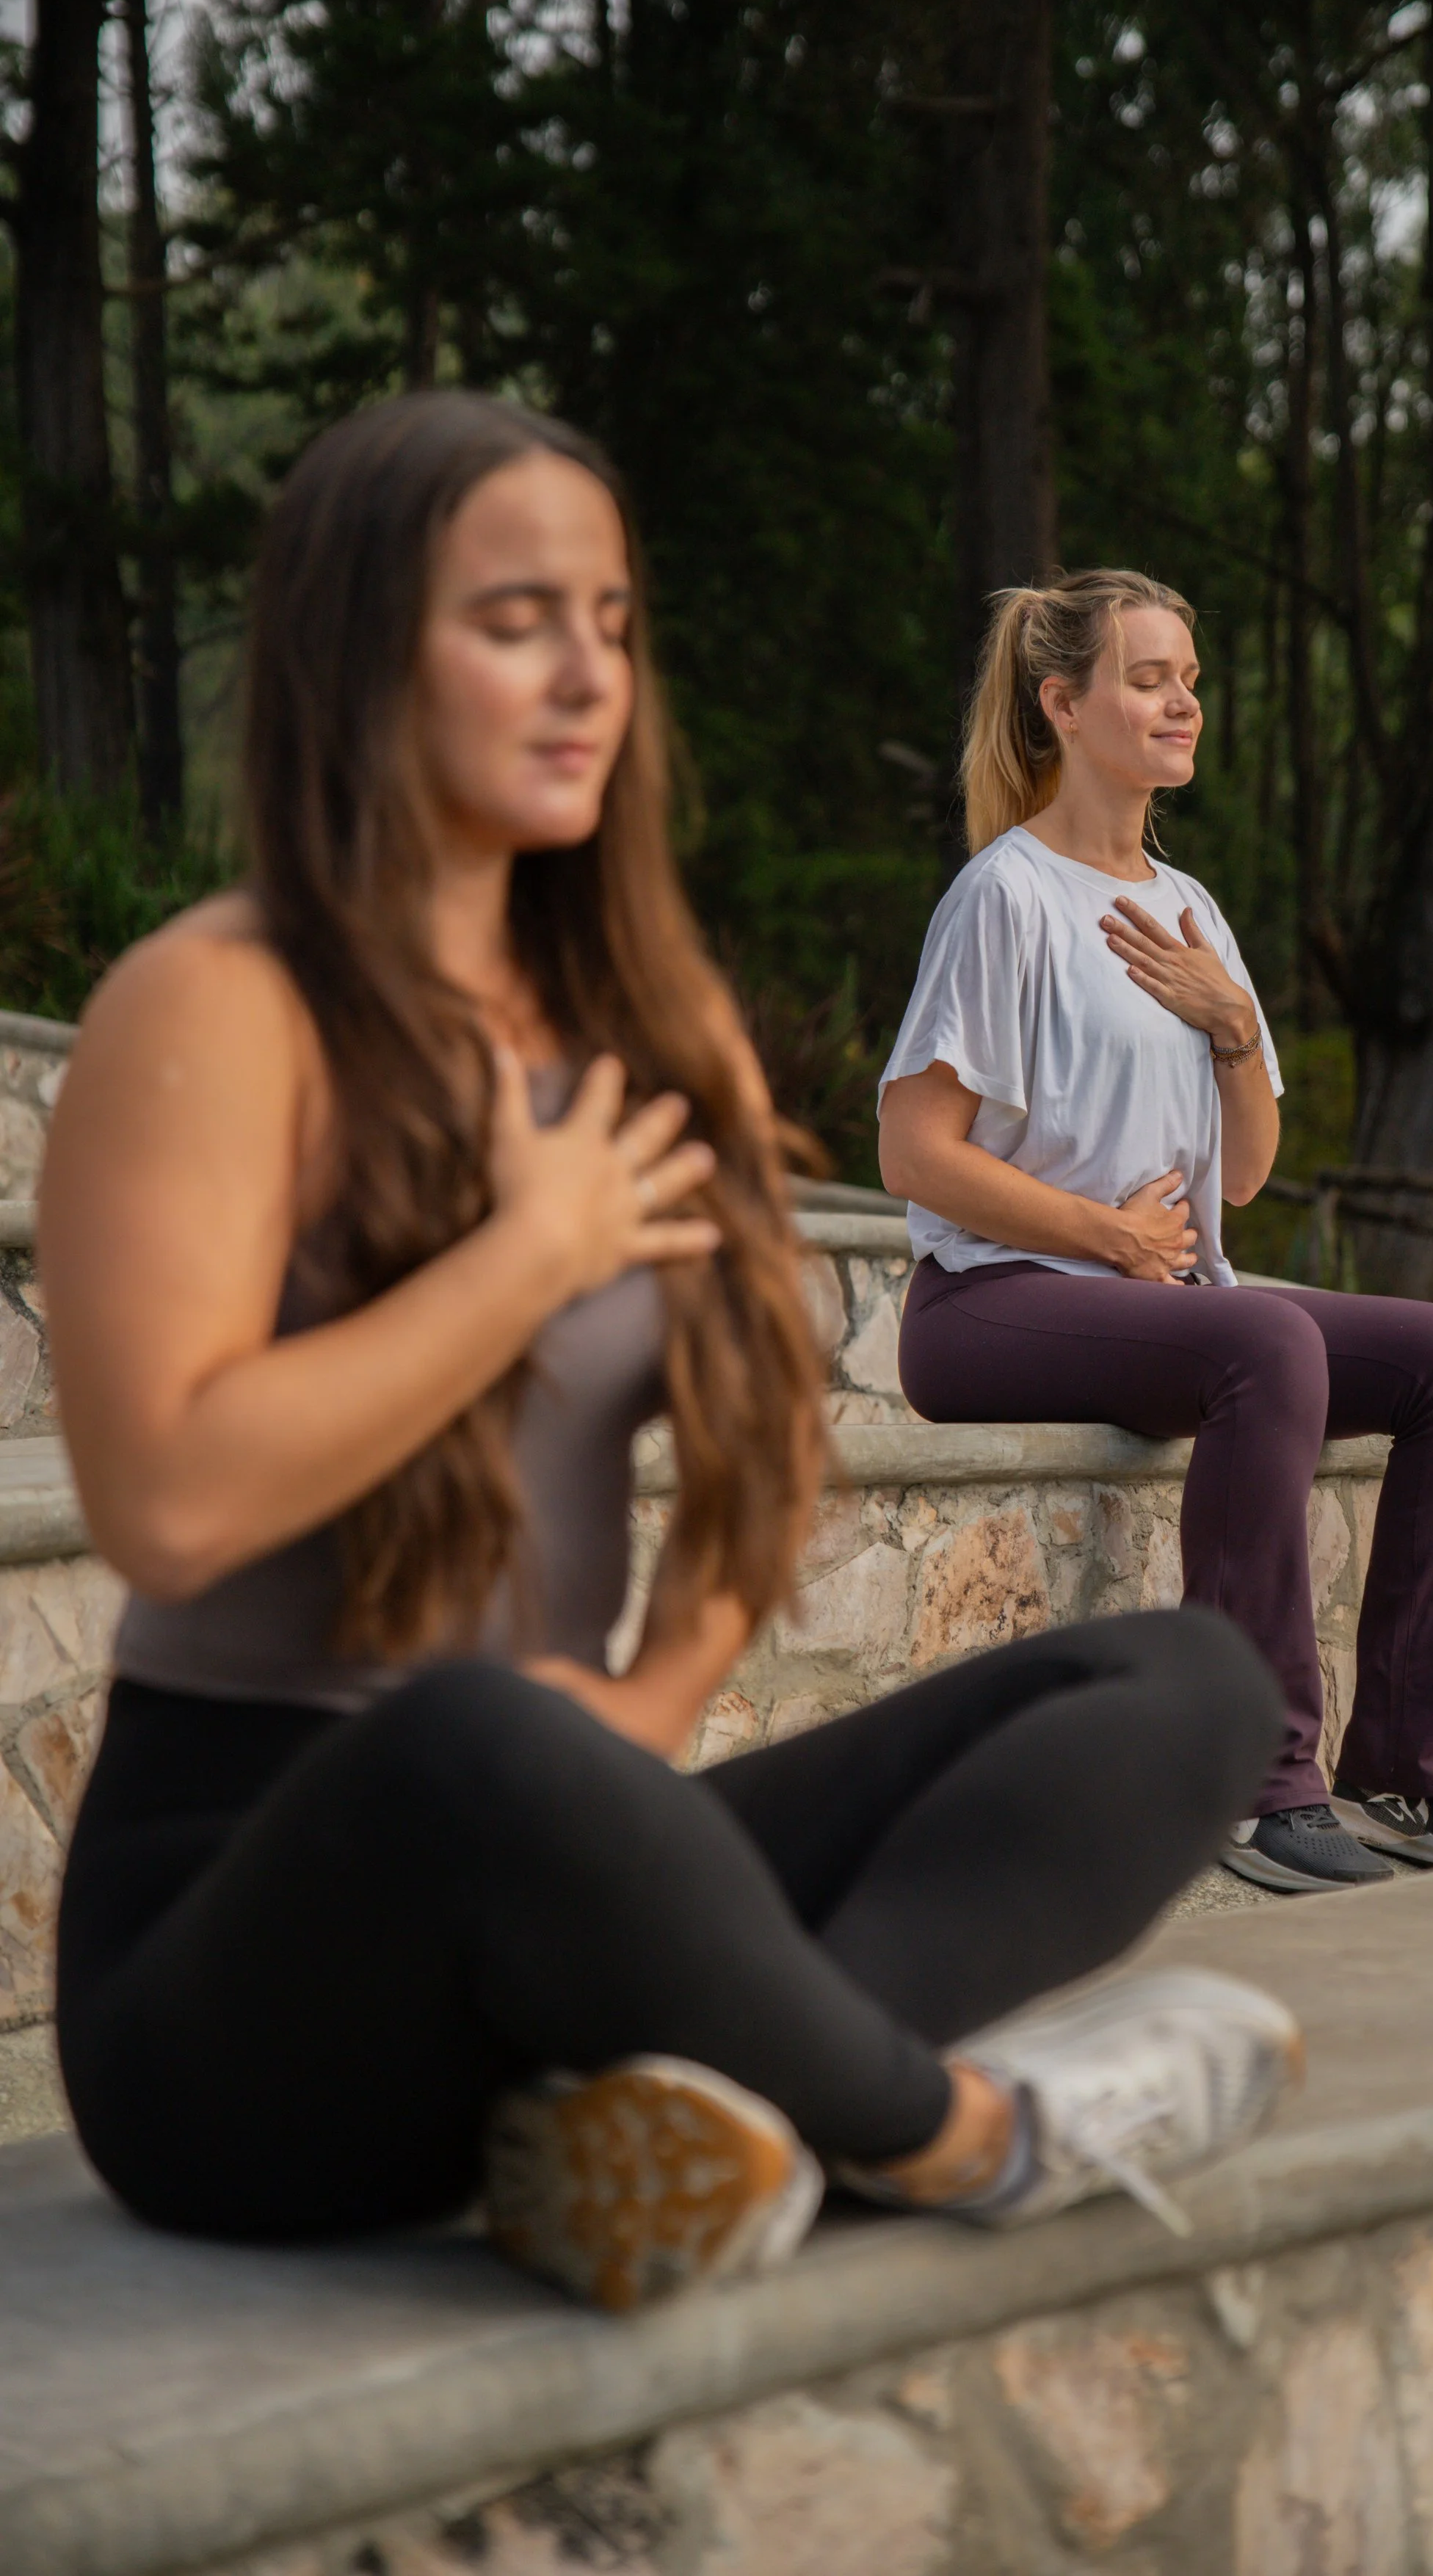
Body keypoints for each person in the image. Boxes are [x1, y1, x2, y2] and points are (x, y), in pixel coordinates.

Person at [40, 401, 1300, 2315]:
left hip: (562, 1864)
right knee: (472, 1730)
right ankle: (953, 2125)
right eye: (516, 618)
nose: (584, 674)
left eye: (613, 622)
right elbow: (168, 1494)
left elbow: (744, 1454)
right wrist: (523, 1253)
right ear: (361, 645)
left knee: (1189, 1682)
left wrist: (650, 1711)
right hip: (236, 1983)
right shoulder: (216, 998)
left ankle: (718, 2119)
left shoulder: (637, 1015)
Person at [878, 570, 1433, 1895]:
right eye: (1148, 676)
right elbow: (912, 1151)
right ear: (1064, 703)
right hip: (990, 1302)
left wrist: (1235, 1024)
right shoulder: (1005, 897)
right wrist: (1101, 1234)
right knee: (1268, 1343)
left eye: (1188, 676)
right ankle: (1252, 1783)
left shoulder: (1194, 911)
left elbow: (1245, 1175)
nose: (1182, 699)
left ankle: (1417, 1765)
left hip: (1163, 1298)